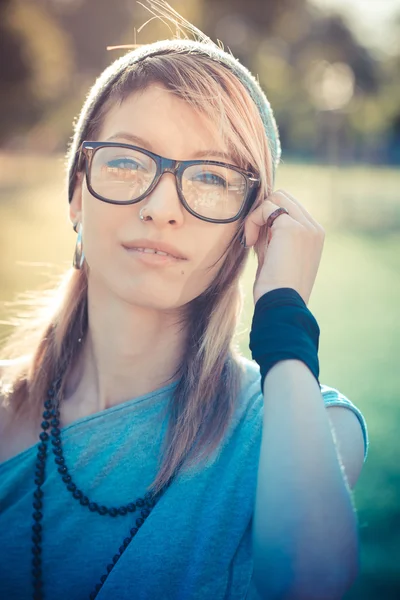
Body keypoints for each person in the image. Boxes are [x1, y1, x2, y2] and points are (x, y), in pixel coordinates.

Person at [0, 8, 369, 600]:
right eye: (126, 161)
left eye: (211, 177)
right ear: (76, 196)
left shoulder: (302, 426)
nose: (162, 208)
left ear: (247, 228)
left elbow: (311, 584)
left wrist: (284, 316)